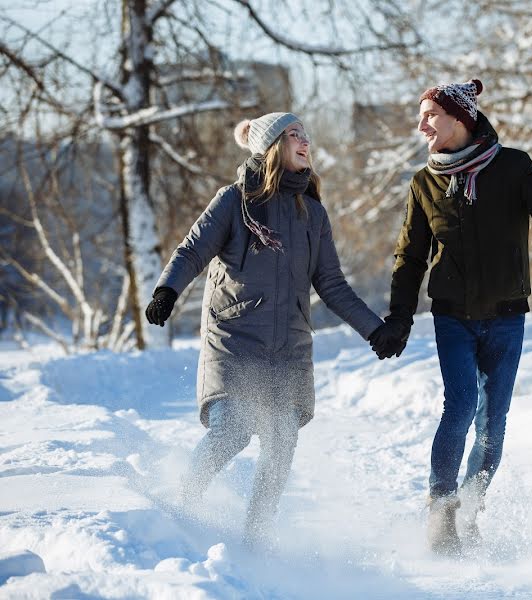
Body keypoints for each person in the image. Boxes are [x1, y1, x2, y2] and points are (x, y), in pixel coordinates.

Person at [368, 79, 532, 554]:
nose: (421, 124)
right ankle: (442, 508)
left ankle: (472, 508)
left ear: (459, 118)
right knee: (459, 408)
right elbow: (409, 257)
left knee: (493, 422)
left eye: (429, 114)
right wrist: (399, 318)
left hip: (508, 315)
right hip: (452, 316)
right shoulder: (424, 182)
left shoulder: (511, 165)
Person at [145, 112, 386, 549]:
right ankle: (180, 513)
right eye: (294, 134)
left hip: (289, 347)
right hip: (235, 339)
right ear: (271, 146)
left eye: (306, 135)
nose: (305, 141)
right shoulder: (234, 201)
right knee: (232, 428)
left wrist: (375, 331)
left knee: (281, 443)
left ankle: (255, 540)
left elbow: (331, 284)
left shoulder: (312, 212)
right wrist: (167, 291)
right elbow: (193, 249)